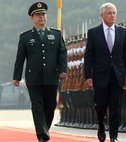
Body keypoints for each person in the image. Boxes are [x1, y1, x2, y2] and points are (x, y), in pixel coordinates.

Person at [12, 2, 67, 142]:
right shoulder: (25, 37)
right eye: (38, 15)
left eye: (43, 14)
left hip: (51, 76)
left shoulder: (56, 34)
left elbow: (62, 53)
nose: (41, 17)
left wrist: (63, 70)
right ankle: (42, 135)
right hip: (33, 78)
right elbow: (20, 58)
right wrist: (16, 77)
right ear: (32, 18)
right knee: (37, 106)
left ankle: (44, 130)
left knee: (50, 106)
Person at [84, 2, 126, 142]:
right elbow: (89, 55)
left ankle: (113, 136)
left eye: (114, 13)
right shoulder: (93, 32)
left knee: (115, 107)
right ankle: (100, 125)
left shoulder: (123, 32)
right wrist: (88, 75)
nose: (112, 15)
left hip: (117, 75)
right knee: (100, 105)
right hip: (100, 75)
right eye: (109, 13)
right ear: (102, 15)